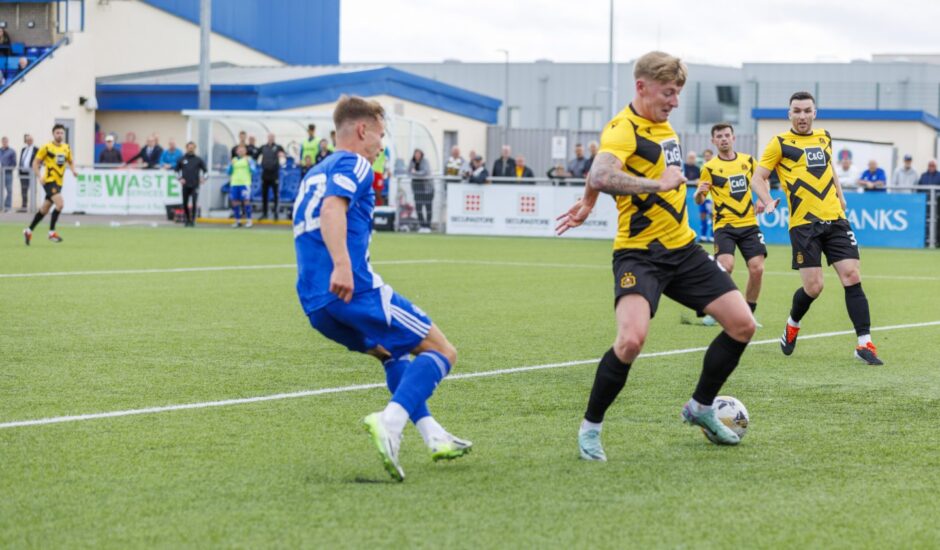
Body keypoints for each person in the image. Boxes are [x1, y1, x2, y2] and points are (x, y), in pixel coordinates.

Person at [555, 51, 755, 461]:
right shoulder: (623, 128)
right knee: (630, 341)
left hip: (683, 250)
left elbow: (599, 175)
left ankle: (700, 408)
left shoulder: (664, 128)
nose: (675, 102)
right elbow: (602, 170)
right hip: (638, 255)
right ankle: (590, 429)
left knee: (743, 325)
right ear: (641, 87)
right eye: (668, 93)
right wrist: (654, 184)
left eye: (678, 93)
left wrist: (589, 202)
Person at [292, 95, 470, 482]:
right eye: (380, 135)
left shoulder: (313, 173)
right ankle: (390, 422)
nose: (381, 145)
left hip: (315, 303)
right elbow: (331, 210)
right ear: (362, 130)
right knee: (442, 350)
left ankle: (432, 435)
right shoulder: (353, 162)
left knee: (391, 352)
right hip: (352, 289)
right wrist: (342, 264)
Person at [750, 91, 882, 365]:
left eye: (806, 110)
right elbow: (757, 178)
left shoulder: (824, 137)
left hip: (834, 219)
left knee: (852, 275)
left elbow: (830, 166)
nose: (801, 116)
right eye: (796, 111)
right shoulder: (779, 143)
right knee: (814, 287)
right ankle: (793, 322)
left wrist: (841, 195)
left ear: (814, 113)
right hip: (804, 225)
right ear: (789, 114)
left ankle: (864, 343)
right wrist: (767, 201)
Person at [693, 123, 767, 324]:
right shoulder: (709, 168)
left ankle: (748, 314)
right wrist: (699, 193)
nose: (724, 138)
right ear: (713, 141)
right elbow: (700, 200)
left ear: (733, 138)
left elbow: (762, 180)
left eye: (727, 135)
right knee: (725, 266)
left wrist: (762, 199)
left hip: (749, 224)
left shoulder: (748, 161)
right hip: (724, 226)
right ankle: (718, 311)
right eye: (719, 136)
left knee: (757, 268)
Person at [24, 124, 77, 244]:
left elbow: (71, 161)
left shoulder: (66, 148)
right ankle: (51, 233)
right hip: (49, 181)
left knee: (44, 209)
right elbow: (35, 163)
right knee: (60, 204)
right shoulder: (46, 147)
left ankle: (28, 230)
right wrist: (39, 176)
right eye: (57, 133)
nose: (60, 135)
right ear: (53, 134)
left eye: (61, 133)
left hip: (59, 183)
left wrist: (73, 170)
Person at [175, 141, 207, 227]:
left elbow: (205, 171)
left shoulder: (198, 159)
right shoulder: (181, 159)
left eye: (192, 147)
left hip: (195, 185)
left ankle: (193, 220)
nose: (191, 149)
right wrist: (180, 178)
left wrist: (203, 178)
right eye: (189, 147)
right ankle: (187, 219)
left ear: (194, 148)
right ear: (186, 148)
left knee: (194, 202)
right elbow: (176, 171)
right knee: (185, 203)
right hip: (185, 185)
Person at [227, 144, 256, 228]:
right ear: (236, 151)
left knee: (246, 201)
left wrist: (249, 164)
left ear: (245, 151)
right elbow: (228, 172)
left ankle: (249, 220)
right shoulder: (234, 160)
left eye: (242, 150)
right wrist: (231, 165)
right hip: (235, 183)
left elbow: (254, 171)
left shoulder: (249, 160)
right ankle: (238, 221)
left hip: (245, 183)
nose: (240, 151)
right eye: (239, 150)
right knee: (235, 202)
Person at [258, 133, 286, 220]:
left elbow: (284, 155)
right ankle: (264, 213)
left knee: (275, 195)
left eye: (272, 137)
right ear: (267, 138)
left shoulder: (278, 147)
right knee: (264, 195)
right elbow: (255, 155)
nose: (271, 138)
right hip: (265, 174)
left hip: (274, 174)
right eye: (270, 137)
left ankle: (275, 214)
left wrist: (282, 156)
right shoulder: (263, 147)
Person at [686, 151, 711, 242]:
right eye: (705, 156)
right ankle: (703, 236)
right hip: (701, 196)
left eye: (708, 156)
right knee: (702, 216)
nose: (707, 157)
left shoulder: (713, 167)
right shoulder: (701, 168)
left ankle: (711, 237)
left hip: (710, 198)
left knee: (712, 217)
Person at [410, 148, 433, 232]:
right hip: (417, 188)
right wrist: (414, 173)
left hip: (427, 189)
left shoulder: (425, 162)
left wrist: (415, 173)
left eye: (418, 154)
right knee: (418, 207)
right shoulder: (412, 162)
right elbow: (409, 171)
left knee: (428, 207)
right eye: (416, 154)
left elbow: (425, 172)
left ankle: (428, 226)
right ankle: (422, 225)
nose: (417, 155)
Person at [18, 133, 38, 210]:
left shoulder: (36, 149)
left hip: (32, 173)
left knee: (33, 189)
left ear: (32, 141)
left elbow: (38, 161)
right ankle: (24, 206)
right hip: (23, 172)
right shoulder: (23, 149)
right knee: (23, 189)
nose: (29, 141)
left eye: (30, 140)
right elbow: (21, 160)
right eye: (27, 140)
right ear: (26, 141)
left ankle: (33, 206)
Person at [0, 136, 16, 211]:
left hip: (8, 173)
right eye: (3, 141)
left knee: (9, 190)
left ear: (7, 142)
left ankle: (7, 206)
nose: (4, 143)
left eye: (6, 141)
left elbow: (14, 163)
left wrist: (7, 168)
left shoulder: (12, 151)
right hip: (0, 174)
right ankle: (0, 206)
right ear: (1, 142)